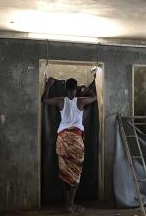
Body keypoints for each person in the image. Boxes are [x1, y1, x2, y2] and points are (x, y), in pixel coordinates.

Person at [41, 77, 96, 213]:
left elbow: (44, 100)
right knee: (75, 173)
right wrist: (85, 87)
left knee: (64, 172)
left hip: (62, 140)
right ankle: (71, 205)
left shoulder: (60, 100)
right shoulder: (81, 100)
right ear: (75, 89)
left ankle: (68, 205)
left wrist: (49, 85)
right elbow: (94, 97)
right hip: (76, 141)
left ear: (66, 88)